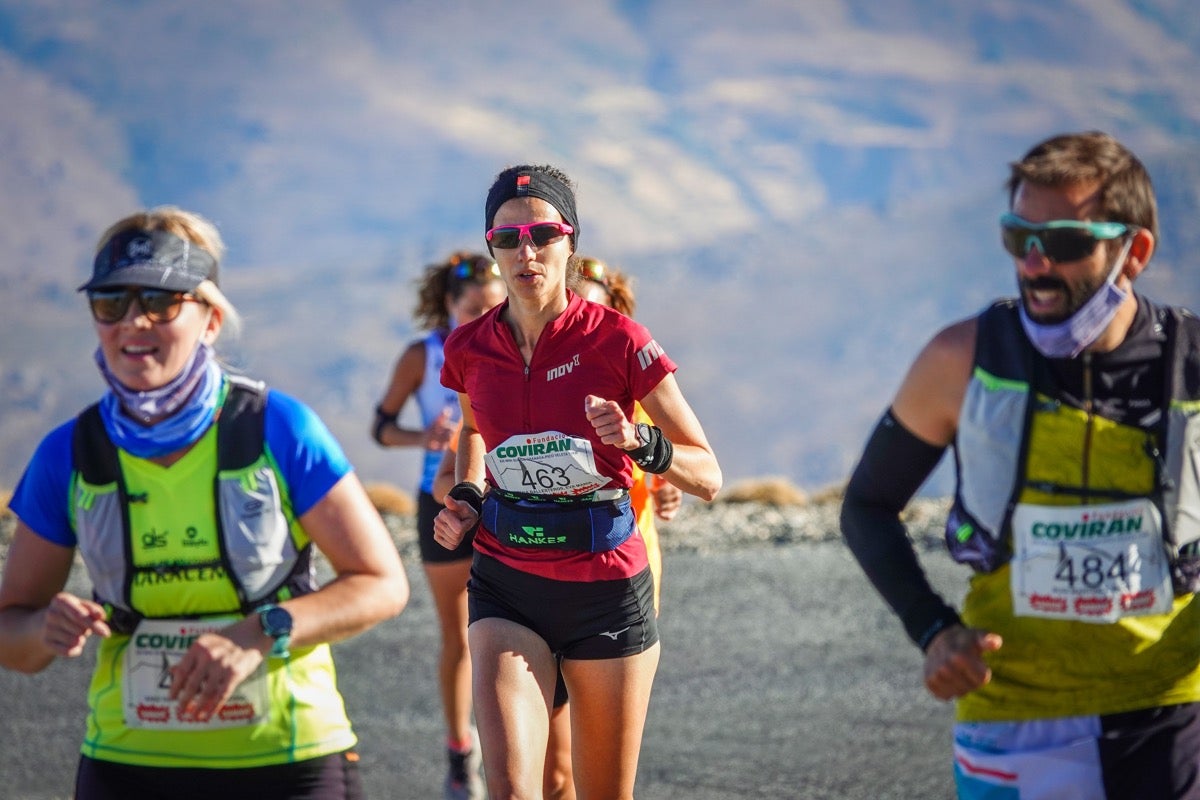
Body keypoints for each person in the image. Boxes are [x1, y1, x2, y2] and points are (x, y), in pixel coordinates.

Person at [0, 207, 410, 800]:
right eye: (110, 302)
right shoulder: (67, 453)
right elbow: (11, 635)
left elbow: (382, 584)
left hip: (290, 762)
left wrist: (259, 632)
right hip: (127, 768)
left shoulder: (279, 428)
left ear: (211, 319)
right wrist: (45, 629)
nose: (133, 321)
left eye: (160, 301)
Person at [840, 131, 1200, 799]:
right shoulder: (961, 361)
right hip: (1016, 718)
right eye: (1019, 238)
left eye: (1063, 242)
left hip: (1175, 713)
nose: (1035, 264)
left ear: (1134, 252)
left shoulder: (1192, 365)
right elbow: (866, 506)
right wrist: (934, 630)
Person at [433, 164, 722, 800]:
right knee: (513, 790)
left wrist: (641, 442)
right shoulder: (469, 347)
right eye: (507, 238)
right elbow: (475, 431)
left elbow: (708, 473)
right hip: (507, 581)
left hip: (606, 590)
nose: (526, 252)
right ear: (491, 247)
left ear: (570, 242)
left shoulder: (620, 340)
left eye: (543, 234)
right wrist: (468, 495)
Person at [371, 251, 505, 800]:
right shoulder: (422, 356)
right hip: (441, 499)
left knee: (515, 627)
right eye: (471, 310)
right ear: (447, 306)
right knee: (461, 635)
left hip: (507, 498)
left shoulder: (517, 344)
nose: (482, 319)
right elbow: (381, 427)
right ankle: (460, 753)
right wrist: (421, 438)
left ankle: (521, 746)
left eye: (492, 308)